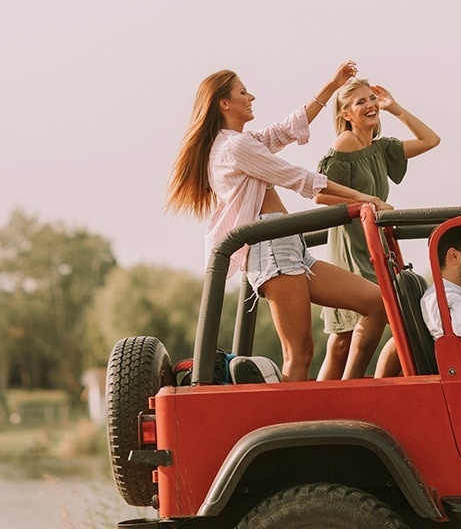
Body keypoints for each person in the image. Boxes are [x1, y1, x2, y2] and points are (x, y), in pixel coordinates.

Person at [165, 61, 391, 382]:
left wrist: (333, 84)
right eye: (243, 92)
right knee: (299, 354)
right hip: (272, 248)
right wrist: (364, 198)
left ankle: (346, 391)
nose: (252, 96)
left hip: (290, 245)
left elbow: (287, 128)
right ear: (224, 104)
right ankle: (290, 413)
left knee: (376, 303)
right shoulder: (235, 147)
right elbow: (297, 177)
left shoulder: (240, 142)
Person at [313, 79, 440, 380]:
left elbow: (430, 140)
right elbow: (320, 195)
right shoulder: (345, 144)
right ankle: (344, 389)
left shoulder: (381, 149)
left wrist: (394, 108)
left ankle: (360, 387)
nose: (370, 105)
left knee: (386, 326)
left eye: (371, 99)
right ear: (346, 113)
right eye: (360, 102)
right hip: (352, 246)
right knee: (345, 336)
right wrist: (365, 201)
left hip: (375, 247)